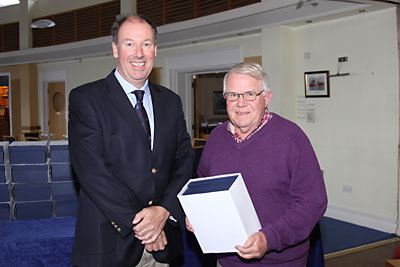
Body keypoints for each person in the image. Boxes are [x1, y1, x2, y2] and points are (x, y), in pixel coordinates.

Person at [68, 14, 194, 267]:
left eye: (146, 44)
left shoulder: (170, 101)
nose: (139, 53)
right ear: (115, 49)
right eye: (129, 44)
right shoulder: (86, 99)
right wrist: (146, 226)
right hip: (110, 245)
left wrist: (164, 212)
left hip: (164, 245)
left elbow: (184, 161)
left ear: (155, 49)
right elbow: (93, 173)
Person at [186, 62, 327, 266]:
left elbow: (312, 202)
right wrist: (197, 214)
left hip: (279, 260)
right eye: (233, 95)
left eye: (250, 94)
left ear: (266, 98)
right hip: (226, 259)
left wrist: (268, 238)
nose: (240, 103)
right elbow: (205, 185)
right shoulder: (216, 138)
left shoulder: (292, 137)